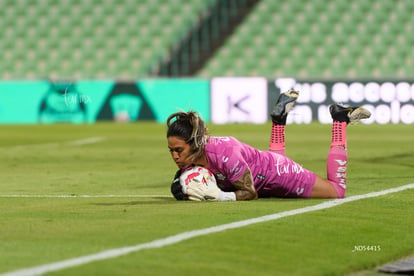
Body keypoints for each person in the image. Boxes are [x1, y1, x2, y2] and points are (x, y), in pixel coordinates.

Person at [167, 90, 371, 201]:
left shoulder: (224, 154)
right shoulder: (191, 158)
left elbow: (249, 192)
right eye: (171, 151)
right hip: (265, 167)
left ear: (194, 144)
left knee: (337, 191)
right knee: (269, 164)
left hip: (279, 173)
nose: (175, 157)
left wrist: (220, 196)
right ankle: (279, 121)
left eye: (179, 150)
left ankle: (339, 120)